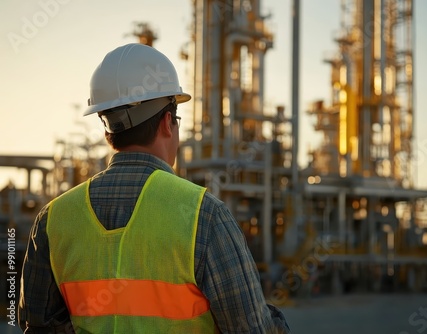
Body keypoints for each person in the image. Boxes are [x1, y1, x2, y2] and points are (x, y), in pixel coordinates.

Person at [18, 43, 290, 333]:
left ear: (107, 127)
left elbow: (37, 327)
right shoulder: (204, 214)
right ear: (167, 122)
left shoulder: (53, 218)